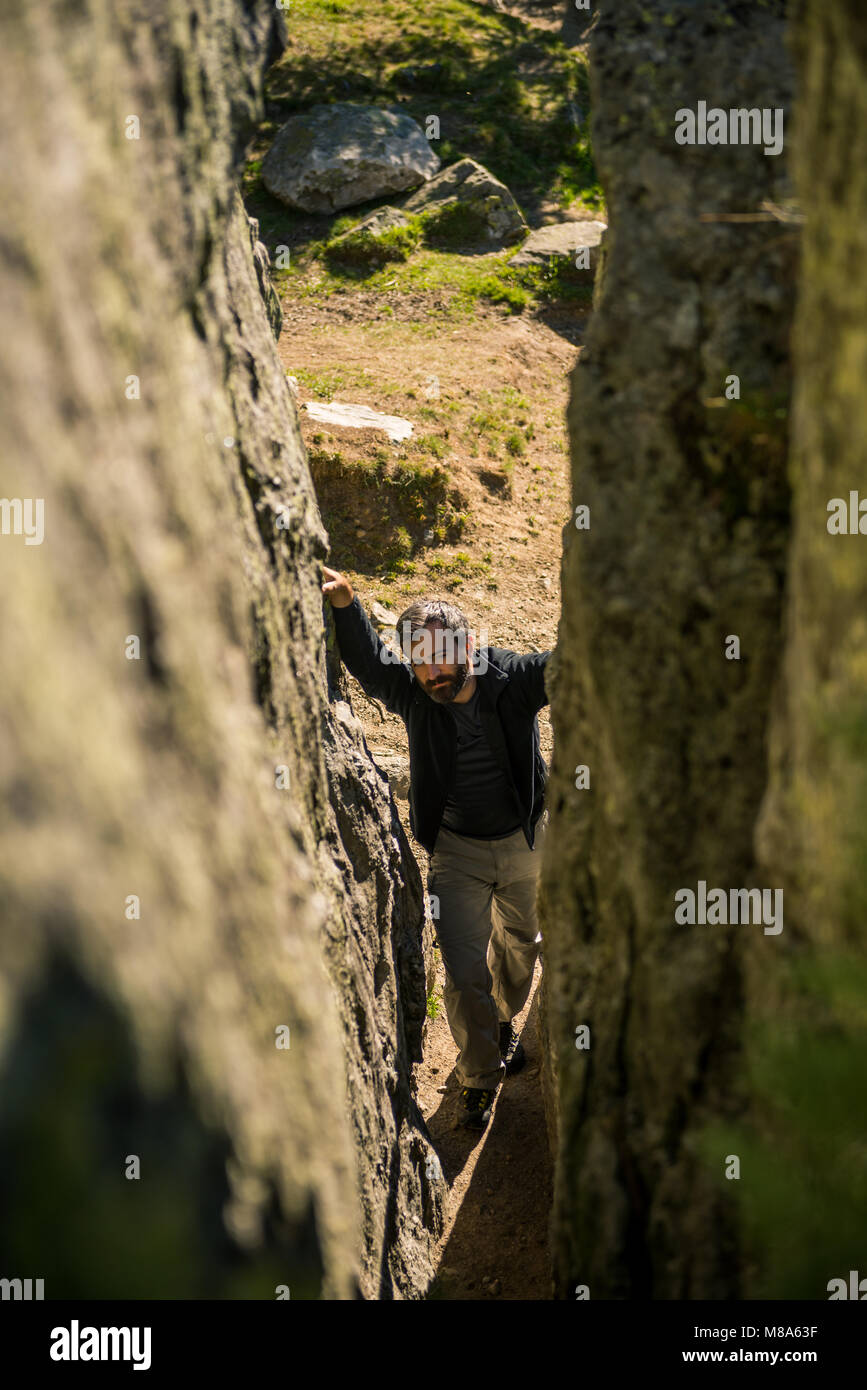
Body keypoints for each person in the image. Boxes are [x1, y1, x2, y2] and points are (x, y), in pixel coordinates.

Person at [322, 565, 550, 1130]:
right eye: (419, 660)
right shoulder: (416, 693)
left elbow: (559, 667)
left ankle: (500, 1020)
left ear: (469, 647)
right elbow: (371, 665)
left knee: (522, 946)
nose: (431, 673)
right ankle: (478, 1078)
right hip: (455, 854)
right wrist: (348, 606)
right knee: (462, 968)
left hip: (524, 842)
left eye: (441, 658)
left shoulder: (509, 680)